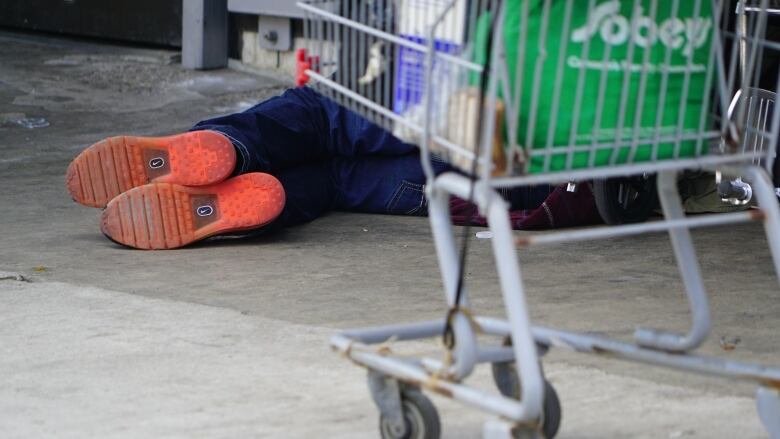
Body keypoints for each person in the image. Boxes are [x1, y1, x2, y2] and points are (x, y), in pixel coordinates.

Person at [66, 87, 601, 250]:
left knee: (324, 115)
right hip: (502, 188)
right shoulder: (664, 123)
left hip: (484, 130)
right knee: (333, 181)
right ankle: (215, 203)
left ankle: (221, 149)